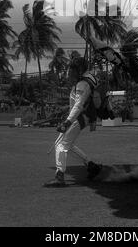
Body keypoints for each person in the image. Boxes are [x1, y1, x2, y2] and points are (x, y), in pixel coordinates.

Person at [44, 58, 112, 187]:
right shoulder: (86, 80)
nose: (70, 72)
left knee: (61, 145)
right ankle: (92, 166)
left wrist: (67, 122)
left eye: (73, 69)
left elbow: (79, 105)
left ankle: (60, 177)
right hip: (81, 117)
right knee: (67, 145)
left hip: (80, 117)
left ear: (79, 70)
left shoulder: (82, 84)